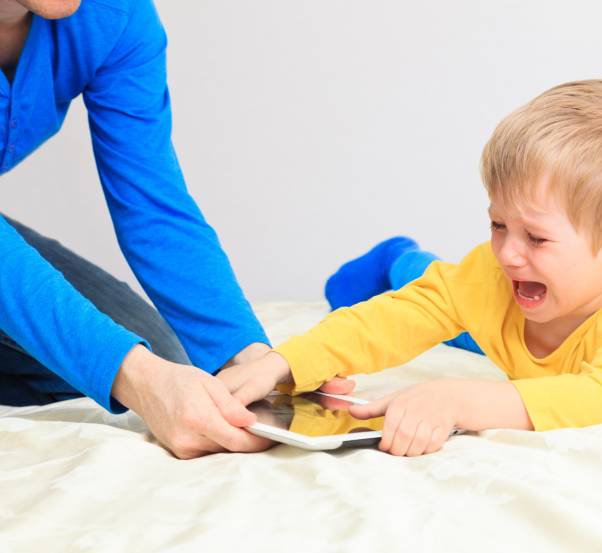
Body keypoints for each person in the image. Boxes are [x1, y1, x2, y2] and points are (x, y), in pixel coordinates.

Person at [219, 79, 602, 457]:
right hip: (510, 315)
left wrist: (456, 400)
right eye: (498, 224)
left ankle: (405, 261)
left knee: (464, 332)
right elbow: (399, 319)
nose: (508, 252)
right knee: (435, 293)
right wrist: (286, 362)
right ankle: (399, 260)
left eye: (537, 237)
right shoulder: (500, 274)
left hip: (534, 336)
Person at [0, 0, 350, 459]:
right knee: (129, 371)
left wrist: (249, 360)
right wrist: (136, 378)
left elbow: (151, 200)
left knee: (162, 357)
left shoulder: (115, 14)